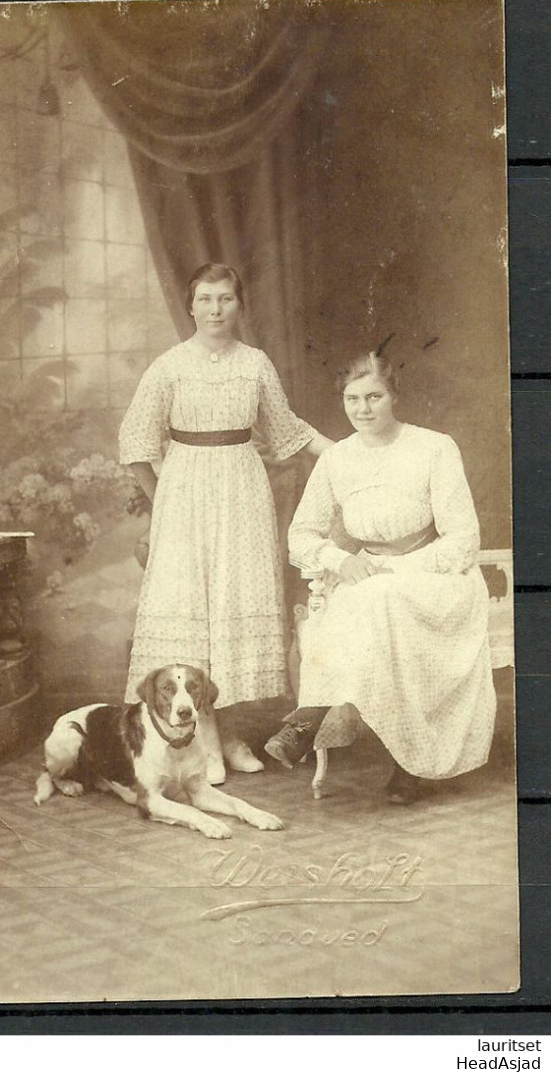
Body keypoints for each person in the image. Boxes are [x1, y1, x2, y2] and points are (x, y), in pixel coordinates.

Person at [119, 262, 333, 784]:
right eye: (206, 299)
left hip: (242, 492)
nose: (215, 309)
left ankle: (229, 734)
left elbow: (287, 432)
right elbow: (134, 443)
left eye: (225, 300)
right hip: (185, 494)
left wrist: (348, 455)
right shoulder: (168, 367)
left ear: (239, 305)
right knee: (191, 607)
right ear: (190, 305)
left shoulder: (255, 365)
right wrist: (163, 499)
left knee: (233, 605)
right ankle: (203, 745)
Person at [264, 351, 496, 804]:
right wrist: (339, 560)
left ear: (395, 397)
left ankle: (312, 722)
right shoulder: (337, 460)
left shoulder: (434, 447)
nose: (363, 409)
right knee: (366, 601)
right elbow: (301, 535)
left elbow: (463, 537)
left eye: (374, 396)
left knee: (379, 598)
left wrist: (403, 569)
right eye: (353, 398)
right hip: (369, 580)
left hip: (437, 577)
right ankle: (395, 758)